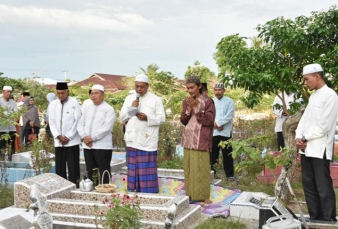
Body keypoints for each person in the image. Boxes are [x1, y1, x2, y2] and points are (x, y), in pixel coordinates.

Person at [295, 63, 338, 222]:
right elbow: (304, 120)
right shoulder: (313, 96)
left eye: (307, 79)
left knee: (323, 187)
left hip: (319, 149)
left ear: (317, 76)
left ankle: (328, 220)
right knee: (309, 186)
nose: (306, 83)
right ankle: (315, 219)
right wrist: (298, 137)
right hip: (306, 149)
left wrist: (305, 139)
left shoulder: (330, 95)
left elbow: (324, 126)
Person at [119, 73, 165, 193]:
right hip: (132, 140)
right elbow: (121, 119)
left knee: (146, 172)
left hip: (147, 141)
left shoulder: (155, 100)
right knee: (132, 170)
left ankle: (149, 196)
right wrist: (131, 108)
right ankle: (133, 195)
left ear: (147, 86)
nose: (138, 89)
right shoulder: (129, 99)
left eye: (141, 87)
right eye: (137, 86)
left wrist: (147, 118)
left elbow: (162, 118)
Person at [180, 75, 215, 204]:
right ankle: (190, 193)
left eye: (192, 88)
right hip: (188, 139)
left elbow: (209, 121)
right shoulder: (186, 101)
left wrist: (196, 108)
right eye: (188, 88)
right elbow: (183, 121)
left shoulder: (208, 101)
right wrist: (189, 109)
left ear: (199, 86)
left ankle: (203, 195)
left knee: (201, 168)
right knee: (189, 168)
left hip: (201, 139)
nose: (190, 91)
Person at [77, 84, 116, 184]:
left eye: (96, 93)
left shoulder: (109, 109)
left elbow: (106, 128)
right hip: (87, 146)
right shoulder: (88, 108)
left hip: (102, 146)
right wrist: (84, 137)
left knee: (104, 171)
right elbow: (80, 124)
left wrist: (92, 138)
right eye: (92, 93)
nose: (93, 95)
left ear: (103, 95)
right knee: (91, 171)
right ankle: (93, 192)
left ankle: (105, 192)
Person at [49, 82, 81, 185]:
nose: (60, 95)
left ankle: (74, 186)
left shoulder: (74, 102)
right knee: (60, 166)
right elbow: (51, 121)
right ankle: (61, 187)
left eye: (62, 93)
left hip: (71, 141)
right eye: (58, 93)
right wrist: (58, 136)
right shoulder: (53, 104)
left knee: (73, 167)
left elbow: (77, 121)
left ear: (67, 91)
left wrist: (68, 136)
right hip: (59, 141)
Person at [211, 83, 235, 180]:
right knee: (213, 154)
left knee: (227, 154)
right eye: (216, 90)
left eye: (220, 90)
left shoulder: (229, 101)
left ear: (224, 90)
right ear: (214, 91)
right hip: (214, 132)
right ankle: (213, 174)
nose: (218, 92)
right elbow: (208, 116)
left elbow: (229, 115)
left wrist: (219, 124)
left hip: (225, 132)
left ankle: (229, 175)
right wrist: (215, 125)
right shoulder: (211, 101)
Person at [0, 86, 18, 160]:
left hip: (11, 128)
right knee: (2, 147)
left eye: (10, 92)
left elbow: (16, 113)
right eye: (7, 91)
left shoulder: (13, 102)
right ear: (3, 92)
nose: (9, 93)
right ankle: (1, 164)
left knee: (11, 147)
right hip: (2, 129)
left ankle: (11, 163)